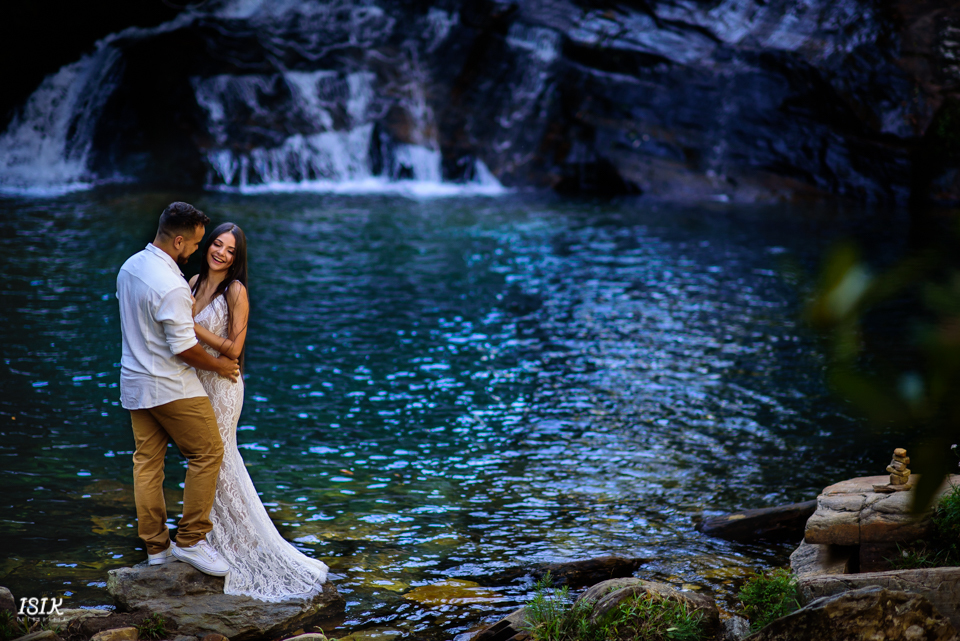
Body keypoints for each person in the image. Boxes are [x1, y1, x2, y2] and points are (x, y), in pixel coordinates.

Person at [189, 222, 329, 602]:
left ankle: (242, 547)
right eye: (217, 244)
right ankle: (209, 538)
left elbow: (233, 349)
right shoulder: (193, 281)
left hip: (224, 386)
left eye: (229, 250)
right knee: (207, 461)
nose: (220, 252)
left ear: (237, 258)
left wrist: (196, 329)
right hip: (196, 385)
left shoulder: (236, 291)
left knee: (220, 458)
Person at [116, 202, 236, 577]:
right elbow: (183, 347)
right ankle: (191, 540)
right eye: (197, 243)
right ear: (179, 241)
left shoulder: (130, 266)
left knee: (147, 464)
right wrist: (220, 364)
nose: (200, 250)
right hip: (170, 385)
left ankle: (157, 549)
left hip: (134, 381)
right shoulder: (171, 285)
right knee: (207, 452)